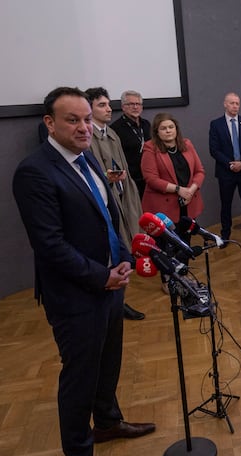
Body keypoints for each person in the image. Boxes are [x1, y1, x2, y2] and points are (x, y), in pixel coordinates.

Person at [13, 87, 155, 456]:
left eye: (85, 119)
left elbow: (106, 215)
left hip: (111, 281)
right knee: (80, 376)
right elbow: (49, 244)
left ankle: (108, 422)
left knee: (108, 361)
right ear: (50, 124)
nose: (83, 127)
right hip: (77, 294)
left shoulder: (87, 157)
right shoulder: (34, 172)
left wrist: (123, 256)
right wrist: (100, 276)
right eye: (72, 120)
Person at [85, 87, 145, 321]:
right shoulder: (88, 136)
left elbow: (125, 172)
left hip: (123, 196)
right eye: (102, 105)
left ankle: (119, 301)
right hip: (105, 203)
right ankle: (114, 303)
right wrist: (105, 177)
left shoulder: (111, 134)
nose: (109, 109)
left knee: (126, 250)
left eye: (109, 104)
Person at [209, 92, 241, 245]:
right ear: (225, 104)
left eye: (237, 103)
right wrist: (231, 164)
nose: (235, 106)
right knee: (226, 205)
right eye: (232, 103)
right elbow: (214, 150)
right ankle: (225, 236)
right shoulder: (216, 124)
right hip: (226, 172)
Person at [141, 113, 205, 232]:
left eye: (171, 127)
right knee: (169, 247)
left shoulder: (187, 144)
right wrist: (179, 189)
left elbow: (199, 171)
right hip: (164, 209)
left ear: (176, 129)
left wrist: (190, 191)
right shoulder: (150, 148)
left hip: (189, 202)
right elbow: (151, 179)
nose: (168, 131)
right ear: (157, 132)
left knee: (186, 242)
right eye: (163, 128)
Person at [110, 90, 151, 198]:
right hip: (131, 180)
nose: (135, 107)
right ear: (123, 107)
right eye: (131, 104)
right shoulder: (115, 129)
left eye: (138, 104)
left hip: (149, 177)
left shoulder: (146, 124)